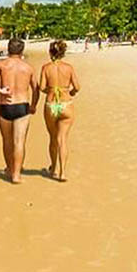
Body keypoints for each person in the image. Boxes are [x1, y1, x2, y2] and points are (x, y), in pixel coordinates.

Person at [0, 38, 39, 184]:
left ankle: (9, 168)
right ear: (22, 50)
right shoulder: (28, 67)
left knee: (7, 141)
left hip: (6, 106)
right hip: (22, 105)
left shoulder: (2, 64)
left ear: (8, 49)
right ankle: (16, 175)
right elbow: (36, 88)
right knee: (19, 142)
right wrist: (33, 105)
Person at [40, 40, 80, 182]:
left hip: (51, 104)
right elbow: (77, 86)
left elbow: (42, 87)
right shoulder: (69, 68)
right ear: (63, 53)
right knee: (62, 139)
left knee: (53, 138)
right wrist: (71, 92)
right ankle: (63, 173)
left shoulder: (46, 68)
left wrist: (52, 90)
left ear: (50, 52)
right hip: (66, 103)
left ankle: (54, 168)